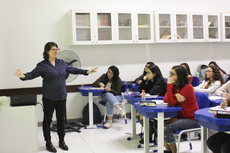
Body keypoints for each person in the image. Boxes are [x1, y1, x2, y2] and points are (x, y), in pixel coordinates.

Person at [14, 42, 97, 153]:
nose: (56, 51)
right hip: (49, 97)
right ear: (47, 52)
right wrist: (23, 76)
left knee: (61, 119)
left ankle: (62, 141)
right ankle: (48, 142)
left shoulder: (61, 63)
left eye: (57, 49)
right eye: (54, 49)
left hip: (62, 96)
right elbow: (31, 74)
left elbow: (73, 70)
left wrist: (87, 72)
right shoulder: (42, 65)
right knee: (47, 120)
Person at [163, 65, 200, 153]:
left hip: (192, 119)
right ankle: (168, 151)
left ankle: (173, 152)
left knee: (166, 128)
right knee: (159, 125)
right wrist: (175, 94)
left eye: (173, 74)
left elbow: (171, 102)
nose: (170, 76)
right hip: (182, 117)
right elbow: (165, 99)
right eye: (170, 73)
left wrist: (169, 85)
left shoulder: (188, 87)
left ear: (180, 76)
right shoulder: (175, 86)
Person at [137, 65, 167, 144]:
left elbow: (151, 93)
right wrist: (144, 81)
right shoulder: (151, 81)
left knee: (141, 113)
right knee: (138, 112)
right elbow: (142, 90)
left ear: (154, 73)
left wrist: (146, 92)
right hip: (154, 104)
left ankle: (149, 133)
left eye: (149, 73)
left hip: (161, 106)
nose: (147, 75)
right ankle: (150, 132)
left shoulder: (159, 82)